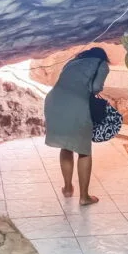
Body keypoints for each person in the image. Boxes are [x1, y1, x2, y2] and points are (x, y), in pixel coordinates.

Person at [44, 46, 110, 205]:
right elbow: (95, 87)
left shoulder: (73, 62)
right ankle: (84, 197)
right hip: (76, 105)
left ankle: (67, 189)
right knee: (84, 150)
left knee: (66, 145)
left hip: (54, 102)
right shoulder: (101, 64)